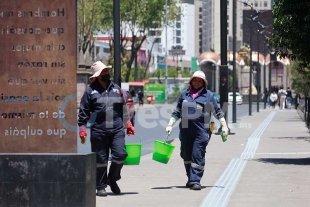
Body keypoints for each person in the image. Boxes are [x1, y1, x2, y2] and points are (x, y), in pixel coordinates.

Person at [78, 61, 135, 197]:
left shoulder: (116, 89)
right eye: (103, 72)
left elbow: (122, 109)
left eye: (106, 71)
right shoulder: (90, 91)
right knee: (101, 160)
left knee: (121, 154)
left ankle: (112, 178)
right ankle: (101, 186)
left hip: (116, 129)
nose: (106, 74)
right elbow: (83, 112)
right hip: (99, 130)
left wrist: (128, 124)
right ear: (97, 76)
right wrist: (82, 129)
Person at [165, 71, 229, 191]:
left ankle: (196, 180)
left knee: (197, 154)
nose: (196, 82)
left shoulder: (208, 96)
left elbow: (218, 112)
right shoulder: (184, 94)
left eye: (199, 81)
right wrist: (170, 124)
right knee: (186, 154)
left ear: (203, 83)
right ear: (191, 81)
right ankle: (190, 178)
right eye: (195, 80)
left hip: (201, 131)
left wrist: (224, 126)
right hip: (185, 130)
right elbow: (177, 111)